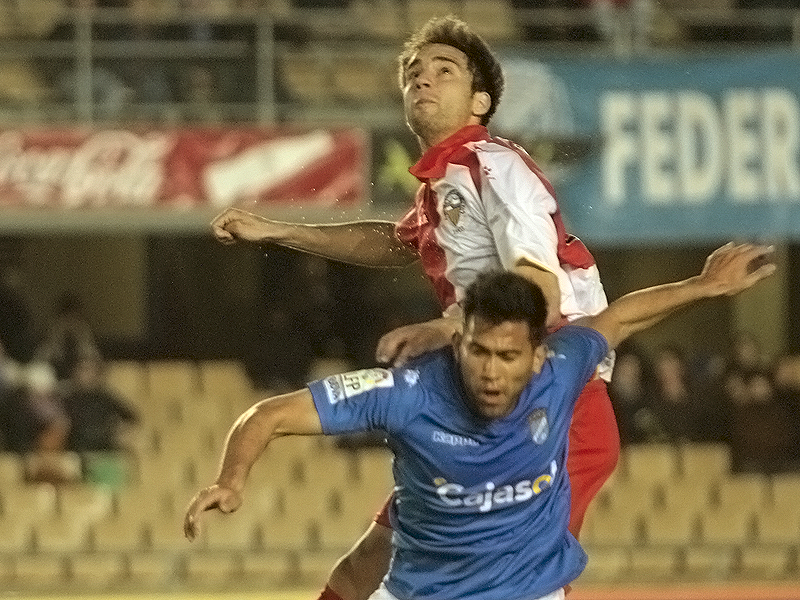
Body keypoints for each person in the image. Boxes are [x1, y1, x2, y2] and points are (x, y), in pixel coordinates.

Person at [209, 15, 617, 600]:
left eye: (444, 71)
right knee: (368, 561)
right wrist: (278, 230)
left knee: (518, 583)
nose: (423, 79)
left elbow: (540, 288)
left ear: (480, 101)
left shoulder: (494, 166)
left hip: (549, 404)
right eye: (414, 72)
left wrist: (450, 327)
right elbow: (393, 242)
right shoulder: (443, 186)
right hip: (475, 398)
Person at [184, 242, 775, 600]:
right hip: (420, 592)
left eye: (508, 356)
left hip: (531, 593)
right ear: (456, 343)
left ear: (538, 356)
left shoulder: (564, 366)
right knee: (361, 564)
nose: (491, 371)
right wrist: (231, 480)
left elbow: (617, 318)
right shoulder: (407, 391)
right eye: (478, 352)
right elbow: (270, 413)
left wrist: (705, 286)